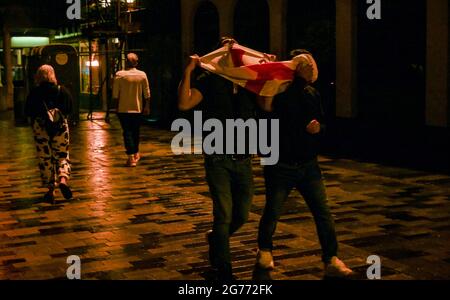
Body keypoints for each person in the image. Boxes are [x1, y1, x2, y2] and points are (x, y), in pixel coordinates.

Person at [255, 49, 353, 278]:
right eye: (306, 65)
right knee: (273, 210)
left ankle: (331, 258)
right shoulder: (280, 90)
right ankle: (265, 250)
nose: (311, 68)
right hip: (281, 164)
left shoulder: (313, 93)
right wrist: (272, 76)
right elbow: (265, 110)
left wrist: (319, 128)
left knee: (322, 212)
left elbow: (323, 123)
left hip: (308, 165)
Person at [178, 37, 258, 281]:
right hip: (218, 157)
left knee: (242, 214)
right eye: (225, 47)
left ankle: (216, 238)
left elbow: (267, 103)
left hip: (244, 158)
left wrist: (268, 70)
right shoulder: (210, 81)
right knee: (223, 214)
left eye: (234, 47)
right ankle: (223, 269)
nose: (230, 51)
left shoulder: (247, 81)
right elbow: (184, 103)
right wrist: (189, 72)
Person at [25, 65, 73, 204]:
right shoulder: (62, 91)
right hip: (60, 128)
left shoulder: (35, 93)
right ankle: (63, 179)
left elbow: (28, 111)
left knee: (45, 159)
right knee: (62, 155)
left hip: (41, 128)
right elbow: (69, 108)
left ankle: (51, 190)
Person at [112, 53, 151, 167]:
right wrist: (147, 106)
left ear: (126, 62)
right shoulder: (142, 75)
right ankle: (136, 152)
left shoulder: (119, 75)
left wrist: (114, 107)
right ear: (136, 62)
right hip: (137, 108)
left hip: (123, 108)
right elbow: (147, 93)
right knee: (135, 131)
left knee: (127, 132)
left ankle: (131, 156)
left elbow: (115, 94)